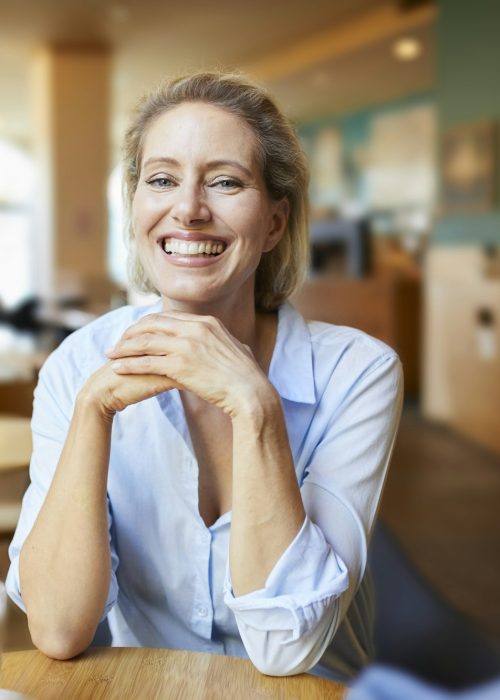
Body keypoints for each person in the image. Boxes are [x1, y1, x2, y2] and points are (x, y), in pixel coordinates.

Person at [6, 72, 403, 682]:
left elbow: (284, 649)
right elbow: (59, 629)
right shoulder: (80, 365)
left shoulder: (359, 374)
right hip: (145, 690)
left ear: (274, 223)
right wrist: (92, 413)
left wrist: (255, 405)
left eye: (225, 181)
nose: (188, 210)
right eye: (161, 180)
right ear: (137, 207)